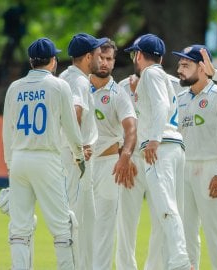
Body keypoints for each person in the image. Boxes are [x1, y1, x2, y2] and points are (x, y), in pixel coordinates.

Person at [2, 38, 85, 269]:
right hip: (46, 158)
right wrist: (79, 155)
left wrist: (10, 165)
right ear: (53, 61)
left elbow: (6, 130)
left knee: (19, 229)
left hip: (19, 158)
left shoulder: (14, 87)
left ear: (31, 61)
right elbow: (71, 126)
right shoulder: (59, 86)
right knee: (63, 227)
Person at [123, 33, 190, 270]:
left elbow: (160, 105)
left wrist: (154, 140)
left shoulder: (150, 73)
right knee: (171, 207)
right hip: (174, 146)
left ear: (139, 55)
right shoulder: (160, 76)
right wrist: (137, 92)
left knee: (166, 208)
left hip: (160, 147)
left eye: (134, 54)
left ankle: (181, 261)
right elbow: (155, 106)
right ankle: (174, 261)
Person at [172, 45, 217, 270]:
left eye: (185, 65)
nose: (179, 69)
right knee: (186, 232)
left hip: (210, 169)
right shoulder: (179, 98)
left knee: (216, 233)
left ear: (201, 68)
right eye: (179, 64)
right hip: (184, 169)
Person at [58, 32, 107, 270]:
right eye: (98, 53)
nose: (102, 57)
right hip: (76, 159)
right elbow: (75, 112)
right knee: (75, 219)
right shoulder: (78, 80)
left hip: (72, 157)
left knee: (87, 221)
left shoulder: (65, 76)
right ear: (88, 56)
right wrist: (77, 147)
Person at [89, 39, 138, 270]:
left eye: (110, 59)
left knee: (105, 227)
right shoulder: (77, 86)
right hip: (81, 164)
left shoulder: (118, 93)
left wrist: (125, 156)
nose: (105, 63)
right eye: (102, 57)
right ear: (92, 57)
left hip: (108, 164)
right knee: (78, 224)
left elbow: (130, 128)